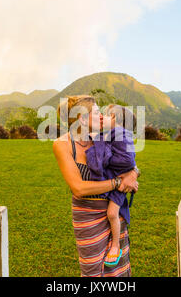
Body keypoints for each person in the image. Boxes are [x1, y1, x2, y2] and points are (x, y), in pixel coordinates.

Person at [52, 95, 139, 277]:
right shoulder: (62, 144)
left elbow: (127, 160)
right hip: (87, 215)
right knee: (92, 270)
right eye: (97, 112)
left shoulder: (102, 136)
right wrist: (118, 183)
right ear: (82, 119)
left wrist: (133, 173)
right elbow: (79, 188)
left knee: (118, 270)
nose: (102, 116)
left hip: (113, 211)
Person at [85, 104, 138, 267]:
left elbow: (128, 160)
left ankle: (115, 245)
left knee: (112, 214)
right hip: (117, 181)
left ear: (115, 119)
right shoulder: (113, 134)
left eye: (107, 115)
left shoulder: (120, 134)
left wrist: (107, 160)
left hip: (119, 184)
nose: (102, 117)